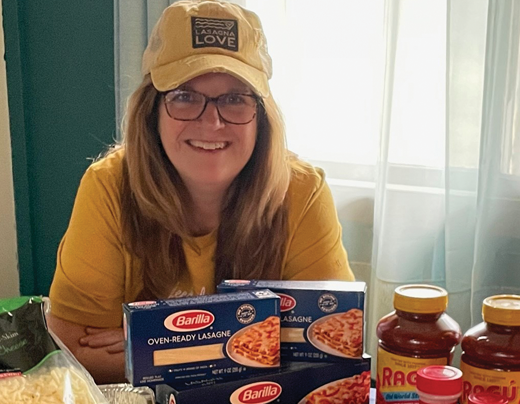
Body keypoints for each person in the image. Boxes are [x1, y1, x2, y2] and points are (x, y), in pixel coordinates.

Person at [48, 0, 353, 383]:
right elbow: (73, 350)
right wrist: (255, 343)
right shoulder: (108, 187)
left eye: (234, 98)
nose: (212, 121)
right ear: (151, 110)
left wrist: (152, 342)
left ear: (262, 114)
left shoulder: (303, 191)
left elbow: (332, 349)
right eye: (185, 96)